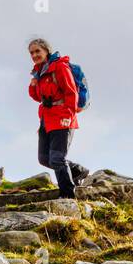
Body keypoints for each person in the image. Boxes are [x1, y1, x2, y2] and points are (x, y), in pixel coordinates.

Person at [27, 38, 88, 198]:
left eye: (37, 51)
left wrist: (68, 116)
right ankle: (78, 170)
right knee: (44, 158)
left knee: (57, 158)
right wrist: (33, 84)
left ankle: (67, 195)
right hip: (46, 119)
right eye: (32, 53)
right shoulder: (38, 72)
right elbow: (37, 97)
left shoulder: (59, 67)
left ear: (46, 51)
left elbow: (71, 92)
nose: (34, 55)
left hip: (62, 117)